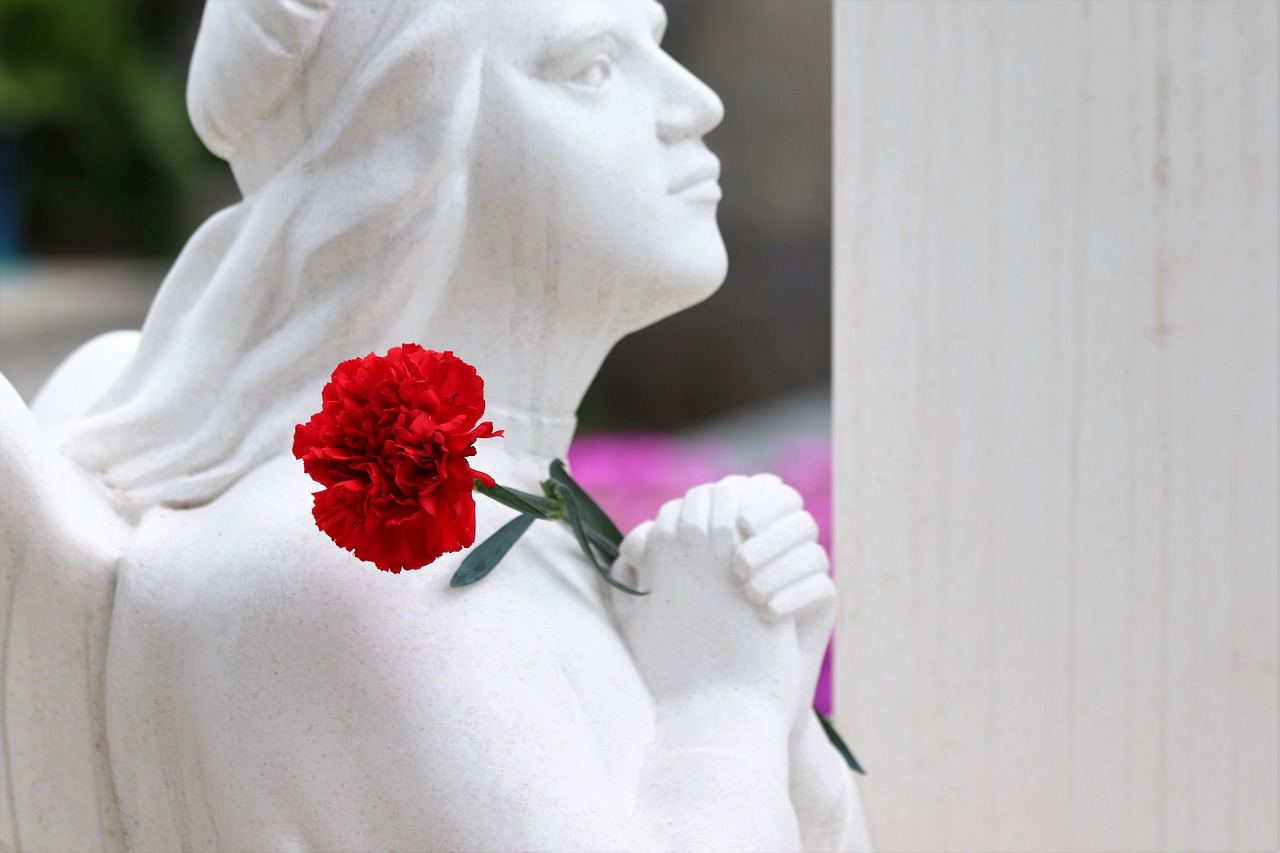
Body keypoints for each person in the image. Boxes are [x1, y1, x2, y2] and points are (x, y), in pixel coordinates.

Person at [0, 1, 870, 849]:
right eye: (595, 68)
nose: (695, 103)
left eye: (658, 44)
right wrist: (723, 701)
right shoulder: (359, 559)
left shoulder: (510, 515)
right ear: (405, 153)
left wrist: (777, 709)